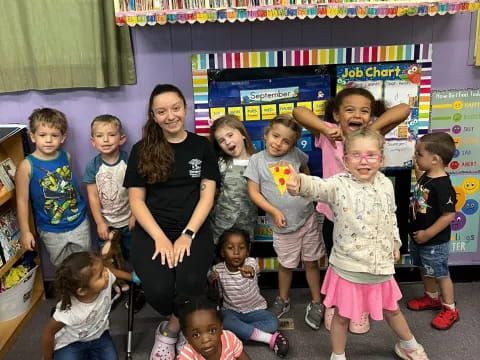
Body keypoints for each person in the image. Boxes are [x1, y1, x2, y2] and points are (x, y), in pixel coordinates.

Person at [286, 127, 429, 360]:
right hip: (348, 267)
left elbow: (390, 214)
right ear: (345, 160)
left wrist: (395, 241)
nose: (364, 161)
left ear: (381, 159)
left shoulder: (385, 184)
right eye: (356, 155)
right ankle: (338, 355)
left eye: (371, 155)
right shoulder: (338, 184)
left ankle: (409, 345)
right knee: (342, 316)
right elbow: (317, 187)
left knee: (393, 310)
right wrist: (299, 182)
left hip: (380, 266)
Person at [293, 87, 411, 333]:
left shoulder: (371, 137)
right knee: (338, 264)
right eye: (349, 110)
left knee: (363, 264)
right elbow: (298, 111)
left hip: (367, 220)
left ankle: (359, 309)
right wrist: (326, 129)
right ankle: (335, 305)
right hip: (334, 216)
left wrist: (374, 130)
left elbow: (405, 109)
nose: (357, 114)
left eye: (364, 111)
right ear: (336, 115)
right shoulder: (327, 136)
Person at [123, 84, 220, 360]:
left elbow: (207, 197)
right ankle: (179, 322)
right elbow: (137, 201)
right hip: (152, 230)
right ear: (153, 116)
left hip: (193, 228)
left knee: (190, 281)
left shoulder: (202, 146)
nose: (170, 116)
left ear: (185, 109)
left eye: (175, 108)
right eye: (162, 111)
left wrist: (187, 234)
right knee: (159, 288)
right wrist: (160, 238)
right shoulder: (142, 149)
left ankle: (173, 329)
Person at [243, 115, 326, 330]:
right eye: (275, 136)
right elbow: (253, 192)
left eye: (286, 141)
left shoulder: (296, 155)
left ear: (293, 144)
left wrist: (308, 191)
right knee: (286, 265)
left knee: (311, 263)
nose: (279, 143)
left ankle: (317, 302)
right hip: (283, 227)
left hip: (307, 219)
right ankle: (283, 299)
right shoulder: (257, 161)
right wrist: (273, 210)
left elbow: (306, 173)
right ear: (266, 134)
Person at [16, 108, 91, 267]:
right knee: (63, 269)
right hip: (51, 230)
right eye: (43, 135)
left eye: (54, 135)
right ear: (33, 137)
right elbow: (22, 200)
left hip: (79, 223)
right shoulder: (26, 166)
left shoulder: (66, 157)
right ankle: (68, 293)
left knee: (85, 265)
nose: (48, 140)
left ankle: (90, 291)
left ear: (63, 138)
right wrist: (25, 231)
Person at [210, 228, 289, 357]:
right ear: (222, 252)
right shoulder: (217, 270)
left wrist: (250, 271)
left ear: (247, 251)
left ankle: (241, 332)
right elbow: (216, 296)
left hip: (255, 310)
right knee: (224, 321)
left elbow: (252, 271)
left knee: (273, 322)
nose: (236, 253)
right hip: (232, 311)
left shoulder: (251, 262)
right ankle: (268, 339)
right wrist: (211, 282)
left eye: (241, 248)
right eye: (230, 248)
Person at [407, 132, 458, 330]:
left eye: (419, 154)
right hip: (419, 238)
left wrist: (428, 233)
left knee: (440, 274)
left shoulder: (444, 185)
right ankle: (432, 297)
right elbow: (422, 188)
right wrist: (416, 168)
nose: (416, 157)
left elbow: (449, 216)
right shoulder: (428, 176)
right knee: (424, 269)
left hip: (434, 242)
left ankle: (450, 308)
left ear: (435, 159)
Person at [41, 251, 134, 359]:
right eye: (100, 276)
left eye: (103, 269)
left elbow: (111, 271)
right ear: (82, 291)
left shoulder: (106, 280)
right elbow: (48, 333)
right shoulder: (69, 312)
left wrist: (131, 277)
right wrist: (46, 358)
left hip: (98, 335)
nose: (106, 273)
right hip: (72, 342)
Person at [83, 114, 135, 259]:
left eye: (111, 135)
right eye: (100, 136)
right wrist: (100, 223)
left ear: (121, 139)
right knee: (108, 257)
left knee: (134, 254)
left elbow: (136, 190)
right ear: (93, 142)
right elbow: (92, 197)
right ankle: (118, 281)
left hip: (129, 221)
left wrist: (134, 215)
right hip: (107, 223)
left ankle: (136, 280)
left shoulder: (129, 162)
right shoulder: (93, 166)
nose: (106, 140)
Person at [209, 115, 258, 244]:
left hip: (246, 229)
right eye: (221, 140)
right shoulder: (221, 163)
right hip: (220, 228)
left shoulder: (258, 161)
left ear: (242, 134)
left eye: (230, 135)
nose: (227, 141)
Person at [176, 294, 251, 360]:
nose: (206, 340)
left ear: (221, 327)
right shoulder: (188, 356)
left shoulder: (229, 339)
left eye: (212, 330)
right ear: (187, 337)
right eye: (196, 335)